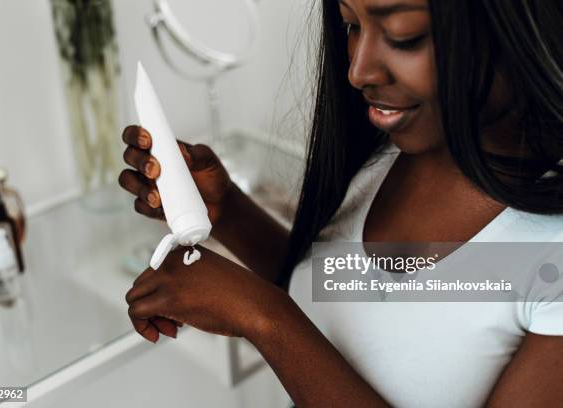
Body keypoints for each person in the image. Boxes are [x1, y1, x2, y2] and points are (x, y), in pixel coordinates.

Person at [119, 0, 563, 406]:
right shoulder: (394, 153)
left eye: (403, 35)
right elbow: (353, 300)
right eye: (350, 24)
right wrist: (228, 211)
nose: (358, 70)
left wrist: (263, 317)